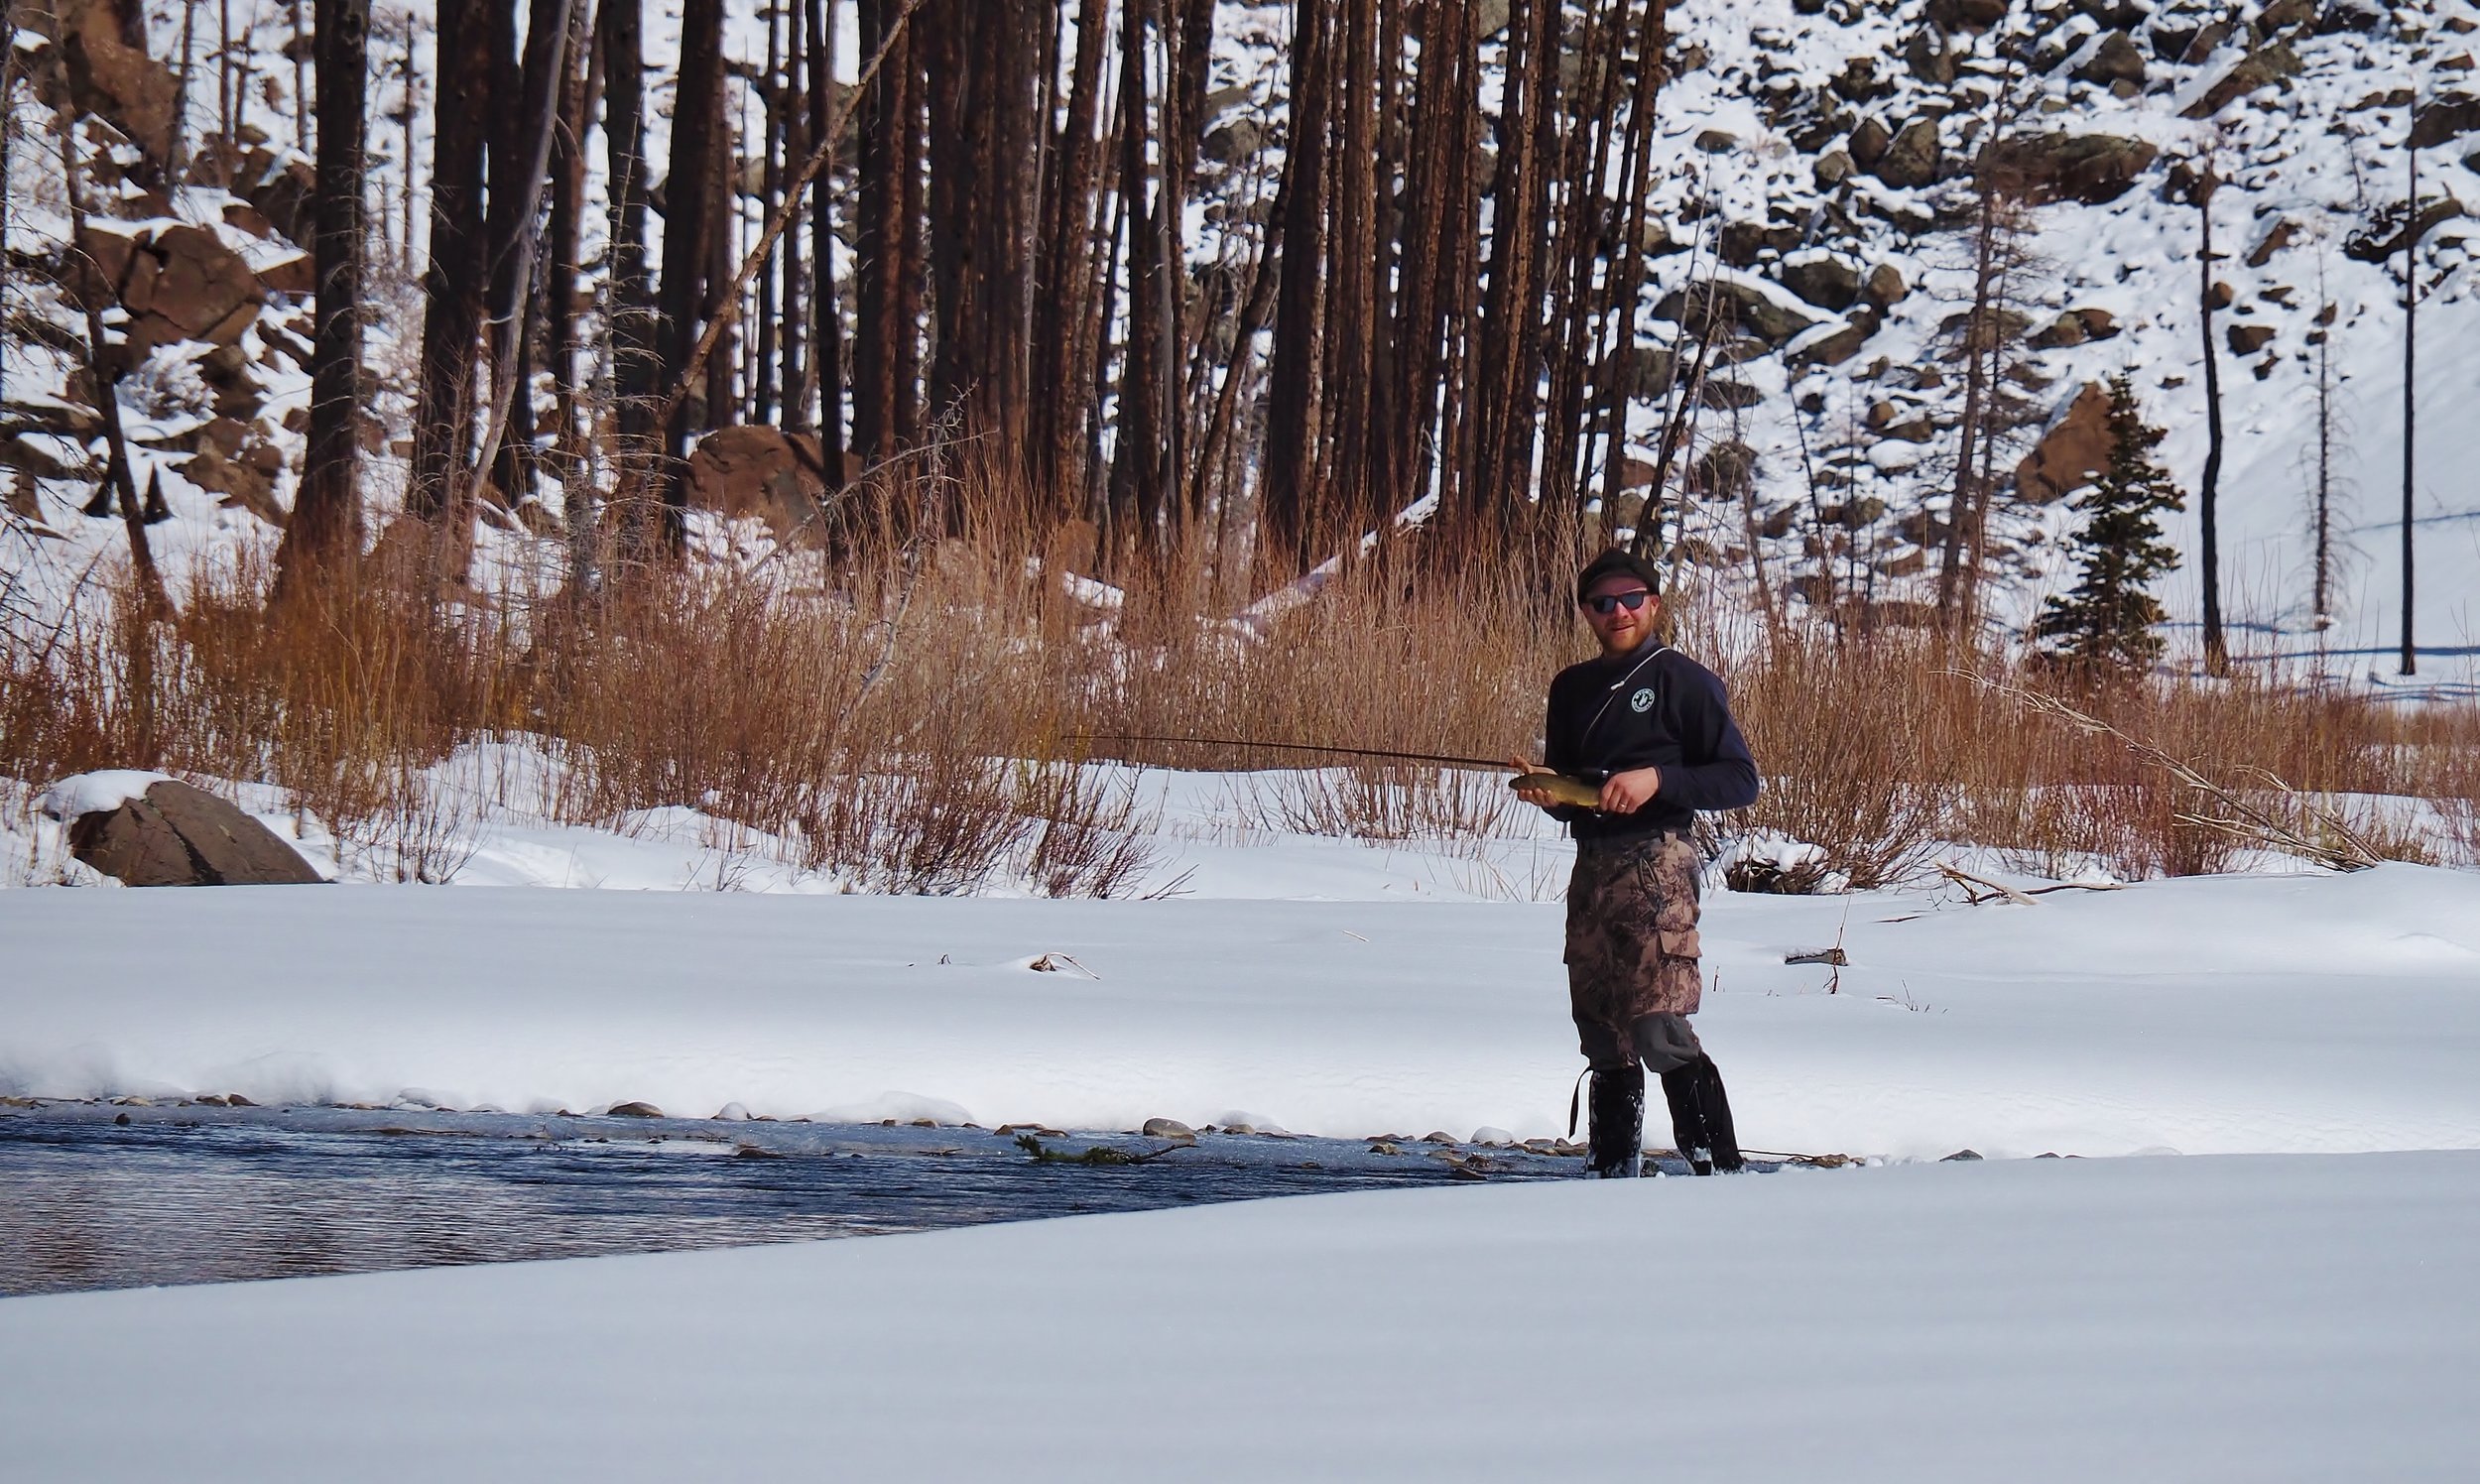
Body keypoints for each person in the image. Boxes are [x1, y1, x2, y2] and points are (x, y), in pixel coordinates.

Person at [1510, 550, 1760, 1177]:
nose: (1617, 611)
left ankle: (1718, 1169)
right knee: (1601, 1030)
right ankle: (1610, 1171)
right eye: (1602, 602)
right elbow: (1575, 795)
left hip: (1660, 862)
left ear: (1653, 603)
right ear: (1586, 613)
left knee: (1655, 1025)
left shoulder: (1685, 680)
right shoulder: (1570, 688)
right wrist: (1549, 796)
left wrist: (1656, 779)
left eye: (1629, 598)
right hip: (1592, 869)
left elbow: (1739, 779)